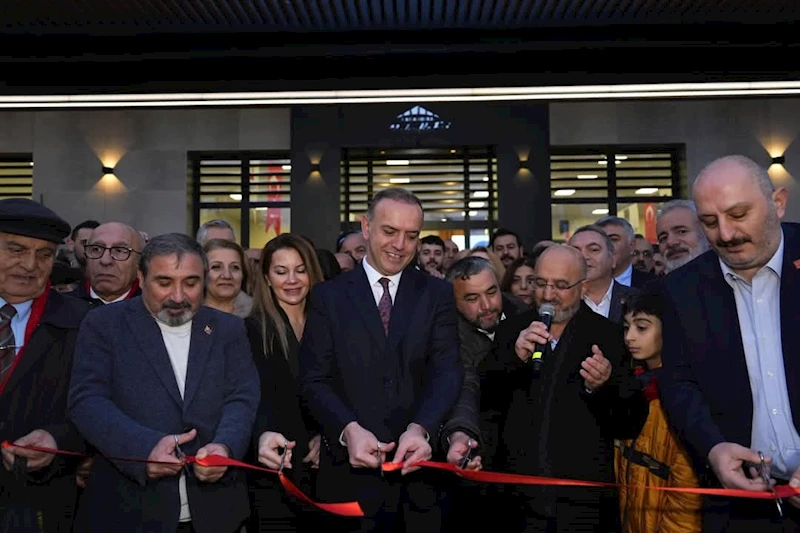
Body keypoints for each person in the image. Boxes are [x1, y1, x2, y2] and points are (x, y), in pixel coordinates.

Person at [68, 233, 260, 533]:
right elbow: (87, 400)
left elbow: (242, 396)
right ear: (141, 278)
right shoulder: (104, 324)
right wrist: (143, 448)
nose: (179, 296)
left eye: (191, 282)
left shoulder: (229, 329)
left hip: (216, 512)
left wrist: (226, 446)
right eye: (165, 282)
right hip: (129, 510)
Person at [300, 188, 462, 532]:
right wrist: (348, 430)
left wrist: (422, 429)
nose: (400, 245)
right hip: (347, 481)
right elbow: (314, 379)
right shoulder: (328, 297)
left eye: (411, 235)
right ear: (366, 227)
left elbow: (447, 372)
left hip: (421, 483)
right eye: (390, 231)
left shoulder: (438, 294)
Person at [658, 155, 800, 532]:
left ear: (778, 202)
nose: (725, 234)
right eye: (709, 222)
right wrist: (713, 449)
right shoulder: (681, 289)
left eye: (738, 214)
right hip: (738, 505)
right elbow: (678, 382)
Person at [483, 244, 645, 532]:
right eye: (541, 283)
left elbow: (628, 422)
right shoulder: (512, 330)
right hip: (516, 500)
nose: (547, 295)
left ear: (583, 287)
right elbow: (486, 398)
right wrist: (512, 360)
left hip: (582, 505)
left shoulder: (607, 336)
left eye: (560, 286)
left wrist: (604, 385)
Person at [0, 199, 92, 532]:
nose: (29, 265)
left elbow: (101, 406)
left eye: (44, 254)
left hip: (39, 506)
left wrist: (60, 439)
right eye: (16, 249)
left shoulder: (84, 324)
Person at [246, 234, 325, 531]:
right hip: (274, 471)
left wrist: (325, 437)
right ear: (266, 277)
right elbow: (251, 398)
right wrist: (262, 435)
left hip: (325, 471)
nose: (292, 280)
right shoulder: (252, 329)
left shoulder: (329, 325)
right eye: (281, 272)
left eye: (300, 270)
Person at [614, 290, 702, 533]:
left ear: (669, 328)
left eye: (641, 327)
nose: (629, 337)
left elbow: (687, 493)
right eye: (626, 327)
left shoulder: (684, 394)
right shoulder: (633, 383)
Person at [203, 239, 252, 317]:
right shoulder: (186, 316)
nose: (227, 275)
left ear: (243, 274)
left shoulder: (261, 319)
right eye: (216, 267)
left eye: (235, 267)